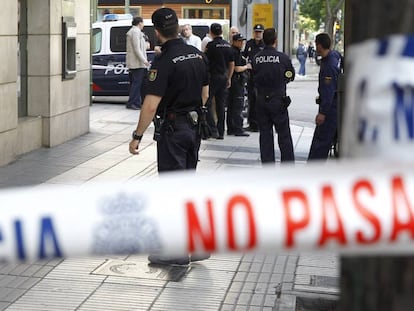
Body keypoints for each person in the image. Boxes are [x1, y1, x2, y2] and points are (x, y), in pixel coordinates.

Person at [128, 8, 210, 265]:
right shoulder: (197, 54)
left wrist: (137, 136)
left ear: (157, 32)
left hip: (174, 131)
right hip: (194, 128)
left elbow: (150, 105)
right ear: (177, 28)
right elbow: (205, 93)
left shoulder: (163, 62)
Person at [251, 28, 295, 163]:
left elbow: (253, 77)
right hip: (278, 100)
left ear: (263, 40)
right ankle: (287, 164)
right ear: (276, 40)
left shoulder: (256, 58)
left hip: (261, 100)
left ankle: (267, 164)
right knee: (283, 134)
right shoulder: (283, 58)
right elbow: (290, 75)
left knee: (265, 134)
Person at [308, 33, 342, 161]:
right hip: (336, 106)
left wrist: (322, 113)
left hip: (330, 109)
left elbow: (328, 91)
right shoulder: (335, 56)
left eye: (316, 44)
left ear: (319, 45)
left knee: (321, 142)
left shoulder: (329, 66)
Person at [205, 23, 235, 139]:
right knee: (221, 105)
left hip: (212, 77)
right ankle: (221, 131)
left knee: (207, 103)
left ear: (211, 32)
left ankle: (212, 129)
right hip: (223, 77)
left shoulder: (210, 45)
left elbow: (206, 61)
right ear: (221, 31)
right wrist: (229, 78)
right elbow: (232, 64)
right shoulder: (228, 46)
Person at [227, 33, 250, 137]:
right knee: (237, 106)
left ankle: (231, 128)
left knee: (232, 106)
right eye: (240, 41)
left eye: (242, 41)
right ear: (234, 41)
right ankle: (238, 128)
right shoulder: (234, 52)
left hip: (234, 82)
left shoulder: (235, 51)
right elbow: (236, 68)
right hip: (236, 81)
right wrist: (247, 67)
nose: (242, 43)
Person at [243, 24, 265, 132]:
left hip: (261, 76)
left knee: (260, 101)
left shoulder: (265, 44)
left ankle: (261, 123)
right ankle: (252, 123)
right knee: (251, 100)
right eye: (256, 32)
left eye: (260, 32)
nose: (258, 34)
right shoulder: (249, 43)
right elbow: (244, 56)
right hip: (251, 76)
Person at [126, 17, 150, 110]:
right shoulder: (135, 32)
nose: (143, 25)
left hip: (139, 63)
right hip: (137, 63)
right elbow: (137, 49)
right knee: (137, 83)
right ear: (139, 23)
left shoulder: (137, 32)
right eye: (143, 23)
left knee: (139, 83)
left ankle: (138, 102)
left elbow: (141, 47)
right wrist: (144, 60)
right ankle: (133, 102)